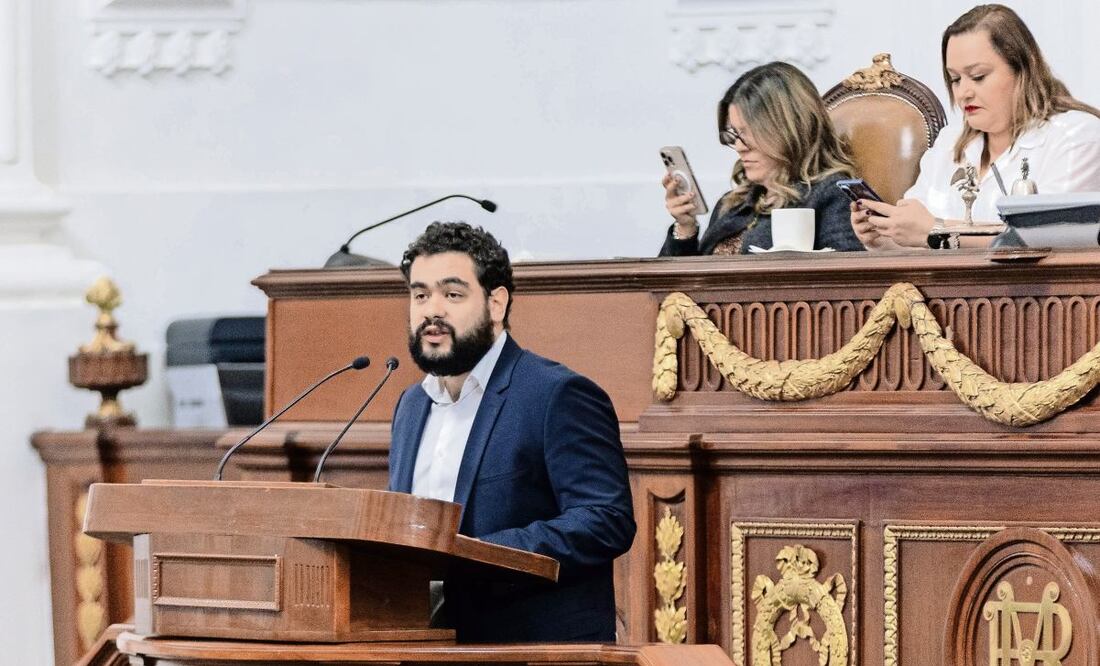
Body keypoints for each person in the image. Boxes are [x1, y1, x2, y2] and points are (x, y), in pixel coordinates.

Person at [388, 221, 636, 643]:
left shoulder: (555, 394)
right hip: (422, 644)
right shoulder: (411, 406)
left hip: (530, 647)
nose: (432, 311)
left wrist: (474, 554)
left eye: (452, 295)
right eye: (420, 295)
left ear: (496, 303)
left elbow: (605, 520)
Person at [852, 4, 1100, 250]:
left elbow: (1048, 240)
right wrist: (884, 236)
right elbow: (918, 237)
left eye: (978, 77)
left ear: (1023, 69)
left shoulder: (1076, 136)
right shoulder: (949, 143)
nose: (964, 93)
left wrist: (938, 231)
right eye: (955, 79)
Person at [660, 61, 865, 255]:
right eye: (735, 134)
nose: (739, 147)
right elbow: (684, 278)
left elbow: (847, 275)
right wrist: (685, 227)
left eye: (748, 133)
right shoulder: (732, 203)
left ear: (788, 129)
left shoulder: (832, 195)